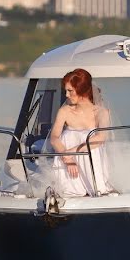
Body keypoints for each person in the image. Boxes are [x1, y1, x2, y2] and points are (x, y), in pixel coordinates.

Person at [47, 68, 112, 196]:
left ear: (82, 90)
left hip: (91, 162)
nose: (66, 95)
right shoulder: (65, 111)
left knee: (98, 188)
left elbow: (101, 138)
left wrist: (71, 152)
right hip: (66, 162)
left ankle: (96, 186)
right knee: (65, 190)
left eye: (70, 91)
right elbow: (54, 137)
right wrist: (67, 158)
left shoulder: (101, 113)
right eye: (65, 91)